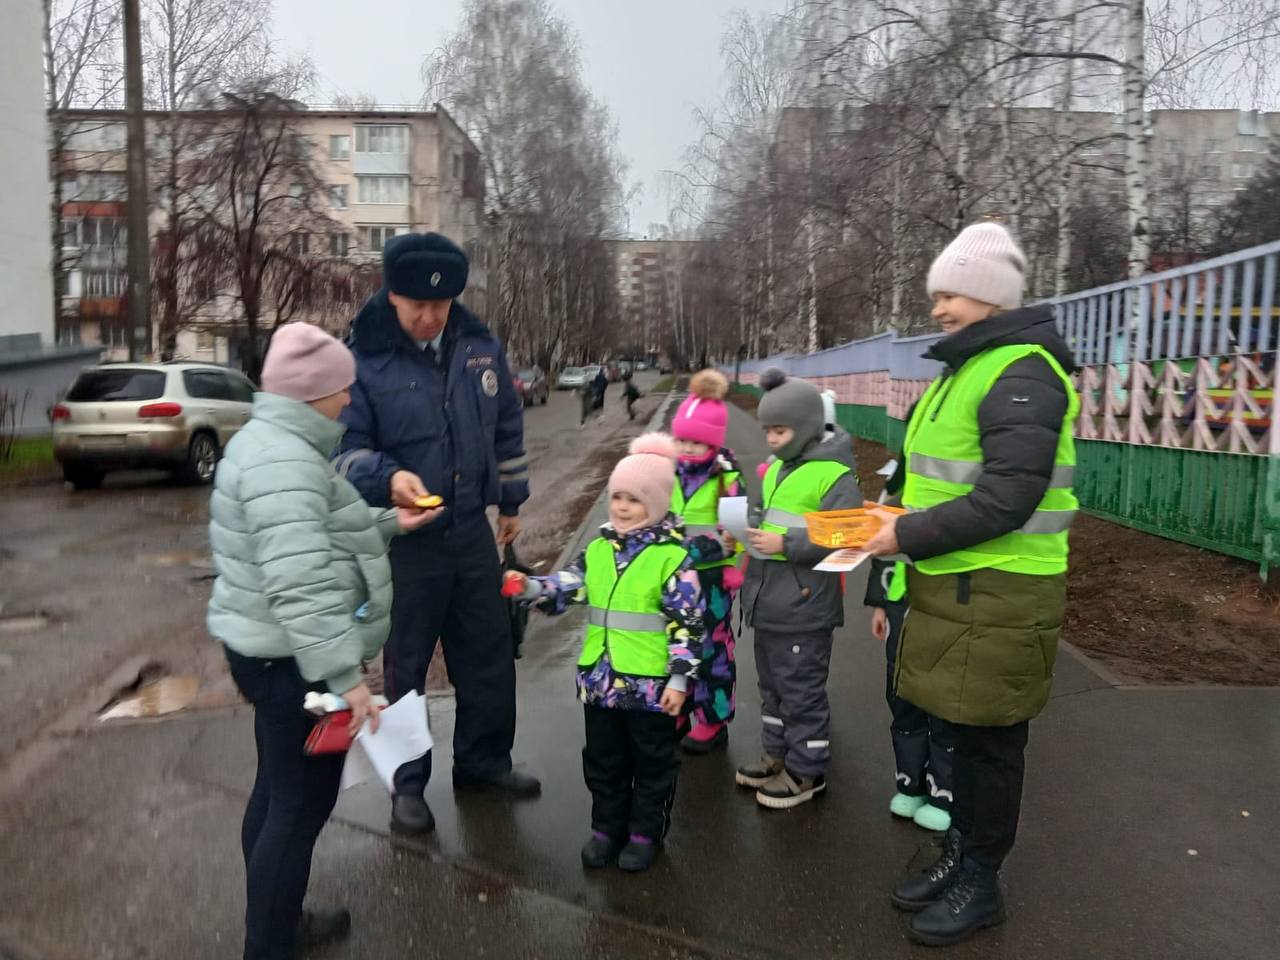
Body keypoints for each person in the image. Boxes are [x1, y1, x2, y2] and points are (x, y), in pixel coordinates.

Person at [863, 221, 1079, 947]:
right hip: (960, 587)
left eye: (949, 293)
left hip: (1002, 592)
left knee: (989, 746)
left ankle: (983, 881)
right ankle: (962, 855)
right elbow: (941, 480)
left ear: (988, 297)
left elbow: (1008, 499)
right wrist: (893, 513)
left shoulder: (1021, 371)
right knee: (961, 735)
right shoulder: (973, 367)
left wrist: (904, 534)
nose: (936, 309)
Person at [207, 323, 438, 960]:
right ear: (315, 392)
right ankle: (271, 943)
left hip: (272, 650)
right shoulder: (284, 459)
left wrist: (393, 520)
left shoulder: (277, 444)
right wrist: (348, 680)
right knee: (299, 804)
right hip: (293, 661)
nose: (349, 401)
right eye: (342, 390)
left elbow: (318, 529)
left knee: (278, 790)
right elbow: (301, 581)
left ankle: (278, 921)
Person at [333, 233, 540, 838]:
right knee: (407, 668)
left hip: (471, 532)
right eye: (415, 306)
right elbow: (344, 450)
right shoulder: (362, 360)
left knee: (488, 656)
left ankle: (482, 765)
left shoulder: (479, 348)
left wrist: (511, 502)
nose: (428, 318)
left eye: (440, 306)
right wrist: (387, 475)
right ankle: (408, 786)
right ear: (390, 295)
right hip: (404, 541)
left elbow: (506, 425)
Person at [510, 434, 704, 872]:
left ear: (654, 504)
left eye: (634, 500)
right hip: (601, 685)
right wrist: (532, 588)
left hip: (651, 688)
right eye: (616, 497)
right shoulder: (598, 549)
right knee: (603, 761)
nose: (620, 507)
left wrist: (678, 680)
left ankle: (643, 833)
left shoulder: (673, 559)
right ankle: (606, 828)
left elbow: (688, 626)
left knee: (651, 765)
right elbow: (570, 586)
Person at [737, 370, 862, 808]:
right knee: (772, 685)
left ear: (806, 427)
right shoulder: (776, 469)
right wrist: (747, 523)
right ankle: (777, 752)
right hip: (770, 599)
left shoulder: (832, 475)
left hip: (804, 605)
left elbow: (848, 534)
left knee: (800, 689)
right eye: (767, 430)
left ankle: (807, 772)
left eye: (780, 430)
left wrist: (785, 544)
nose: (771, 439)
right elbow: (772, 516)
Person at [864, 479, 955, 833]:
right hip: (901, 610)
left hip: (942, 612)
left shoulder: (956, 505)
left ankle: (943, 794)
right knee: (902, 698)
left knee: (942, 706)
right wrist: (880, 605)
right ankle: (910, 784)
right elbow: (881, 553)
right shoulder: (903, 495)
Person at [668, 369, 744, 754]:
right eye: (682, 439)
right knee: (677, 645)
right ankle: (680, 708)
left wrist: (733, 566)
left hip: (712, 579)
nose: (688, 448)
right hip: (675, 580)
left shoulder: (725, 475)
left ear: (713, 441)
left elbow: (739, 527)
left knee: (712, 650)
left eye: (697, 442)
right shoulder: (669, 471)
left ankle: (713, 720)